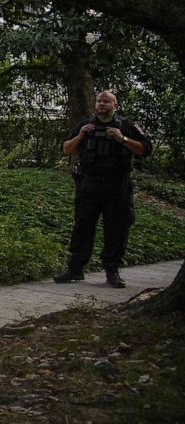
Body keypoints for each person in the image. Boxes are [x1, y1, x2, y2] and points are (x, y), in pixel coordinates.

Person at [54, 90, 151, 288]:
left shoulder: (126, 126)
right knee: (82, 226)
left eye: (106, 102)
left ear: (116, 106)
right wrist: (81, 136)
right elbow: (67, 149)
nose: (101, 105)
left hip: (117, 185)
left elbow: (144, 149)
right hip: (89, 184)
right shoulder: (85, 126)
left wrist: (122, 139)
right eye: (99, 101)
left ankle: (112, 271)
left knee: (116, 228)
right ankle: (75, 268)